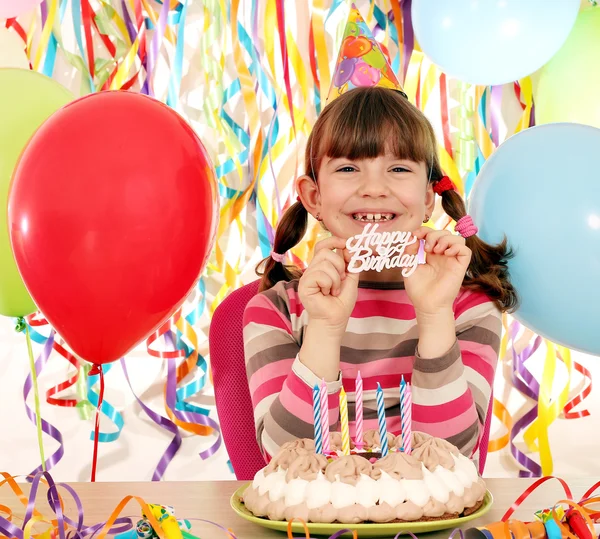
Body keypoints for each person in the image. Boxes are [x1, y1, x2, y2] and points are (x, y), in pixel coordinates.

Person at [243, 86, 517, 466]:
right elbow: (285, 460)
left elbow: (452, 460)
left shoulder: (466, 307)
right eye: (348, 168)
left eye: (399, 168)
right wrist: (324, 327)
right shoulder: (276, 310)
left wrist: (435, 316)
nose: (373, 189)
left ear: (427, 198)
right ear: (313, 196)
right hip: (316, 522)